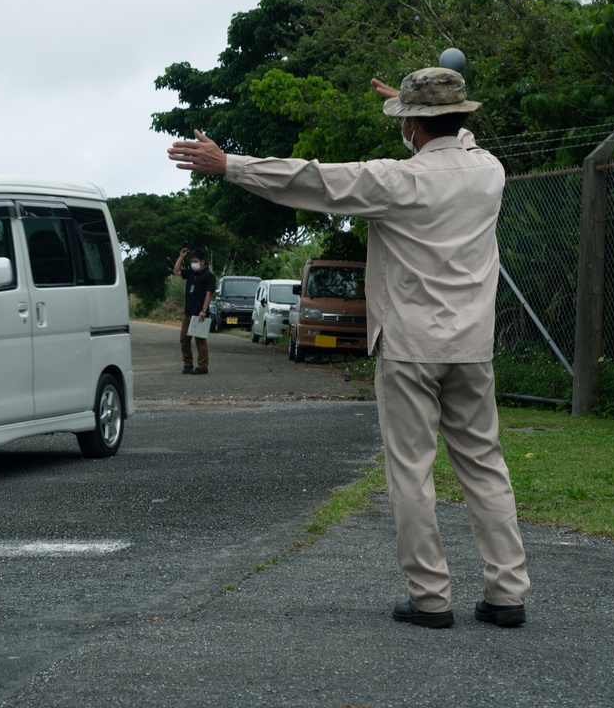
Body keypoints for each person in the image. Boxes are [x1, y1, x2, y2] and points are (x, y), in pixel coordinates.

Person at [168, 67, 530, 629]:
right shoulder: (489, 172)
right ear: (462, 120)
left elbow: (311, 181)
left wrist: (230, 165)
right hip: (472, 345)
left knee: (412, 471)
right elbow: (457, 146)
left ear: (412, 126)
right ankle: (507, 594)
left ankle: (431, 598)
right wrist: (417, 112)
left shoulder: (394, 181)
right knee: (485, 466)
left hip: (411, 346)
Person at [173, 247, 215, 375]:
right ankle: (188, 364)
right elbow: (176, 271)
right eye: (192, 261)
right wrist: (181, 257)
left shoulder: (209, 276)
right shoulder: (191, 273)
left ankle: (202, 366)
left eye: (195, 261)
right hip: (188, 312)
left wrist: (204, 310)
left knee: (200, 340)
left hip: (200, 314)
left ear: (202, 261)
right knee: (184, 339)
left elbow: (209, 294)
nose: (193, 263)